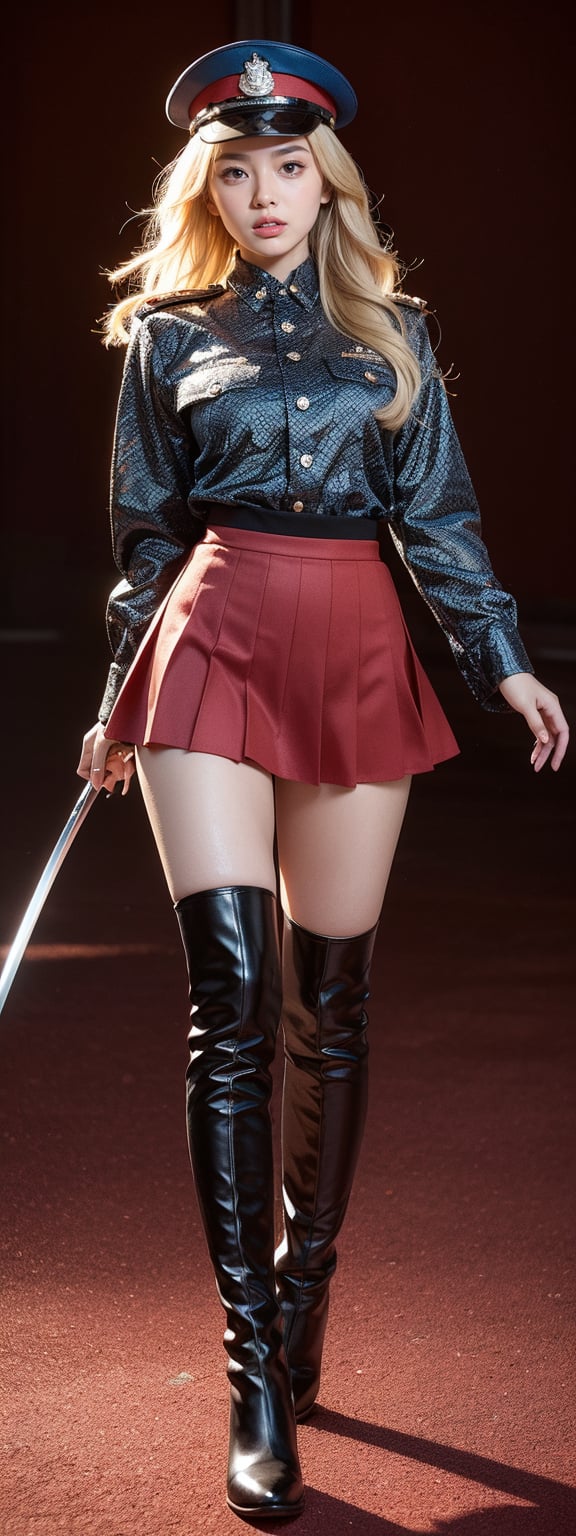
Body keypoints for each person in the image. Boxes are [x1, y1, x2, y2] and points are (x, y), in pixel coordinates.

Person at [77, 39, 569, 1521]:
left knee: (326, 999)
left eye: (290, 164)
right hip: (210, 641)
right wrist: (112, 705)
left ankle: (306, 1296)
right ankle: (249, 1375)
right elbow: (146, 545)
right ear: (211, 189)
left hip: (355, 641)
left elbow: (443, 523)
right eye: (237, 167)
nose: (266, 189)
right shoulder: (168, 338)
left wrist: (504, 664)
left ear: (328, 180)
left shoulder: (394, 334)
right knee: (228, 1004)